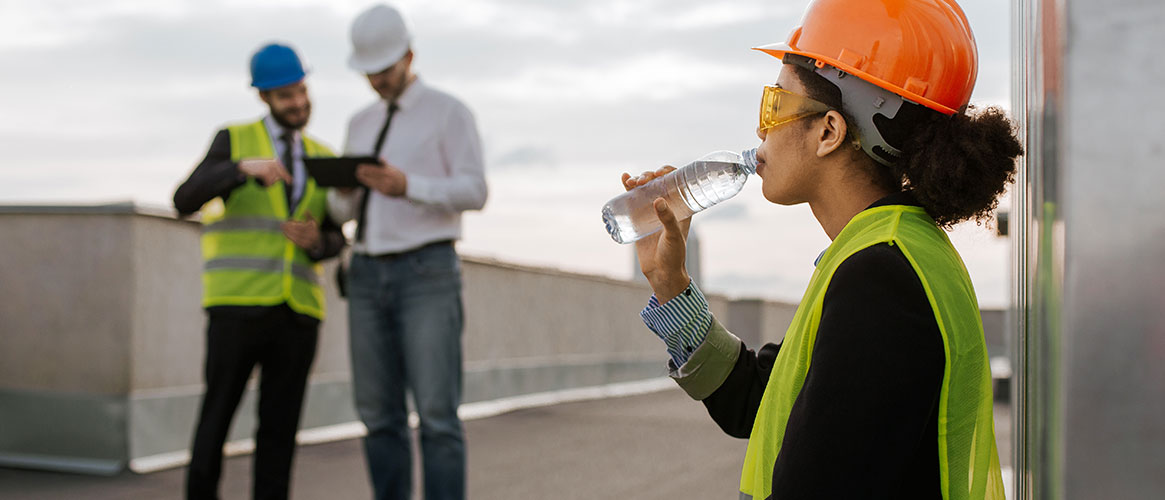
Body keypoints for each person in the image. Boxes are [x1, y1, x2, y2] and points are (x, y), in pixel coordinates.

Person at [624, 0, 1023, 498]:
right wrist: (671, 285)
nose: (760, 129)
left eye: (774, 103)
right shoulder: (895, 251)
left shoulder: (881, 279)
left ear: (830, 131)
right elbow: (763, 402)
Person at [327, 4, 487, 500]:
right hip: (367, 272)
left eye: (384, 70)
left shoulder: (449, 112)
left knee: (437, 417)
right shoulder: (358, 123)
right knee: (378, 418)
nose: (376, 80)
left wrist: (407, 186)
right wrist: (344, 193)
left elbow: (475, 191)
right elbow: (342, 209)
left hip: (428, 272)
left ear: (409, 56)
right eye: (369, 73)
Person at [173, 42, 344, 500]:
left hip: (298, 313)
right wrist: (238, 170)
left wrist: (318, 243)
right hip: (236, 308)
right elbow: (184, 200)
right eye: (285, 95)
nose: (297, 103)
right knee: (216, 419)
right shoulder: (234, 139)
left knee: (280, 433)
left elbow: (337, 238)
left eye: (301, 91)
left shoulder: (323, 155)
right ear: (264, 97)